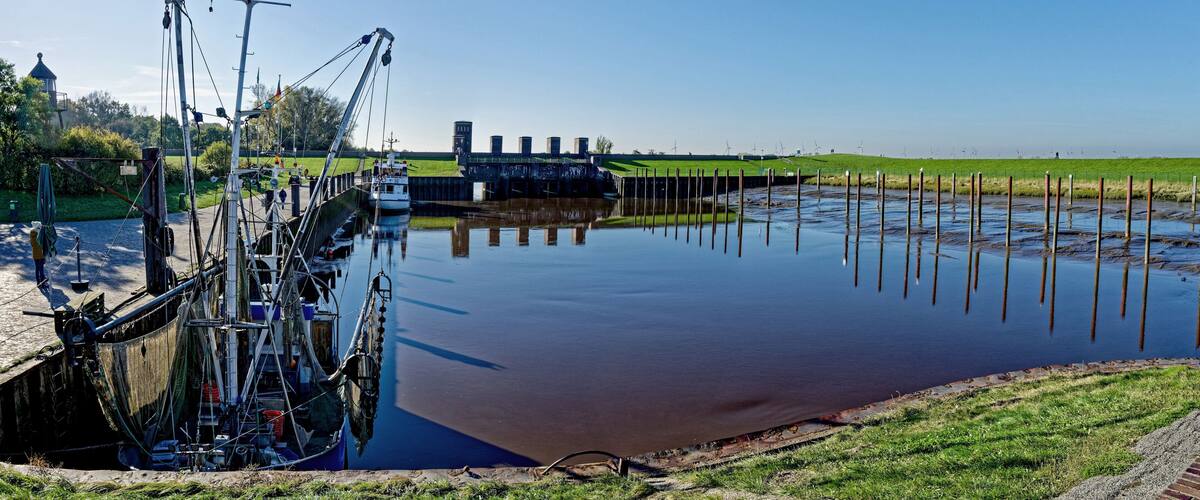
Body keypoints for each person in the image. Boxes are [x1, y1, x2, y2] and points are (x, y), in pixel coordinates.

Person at [30, 221, 46, 288]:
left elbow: (33, 244)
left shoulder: (33, 234)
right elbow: (37, 244)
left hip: (37, 255)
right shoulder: (36, 234)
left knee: (38, 269)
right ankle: (41, 283)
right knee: (40, 269)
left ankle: (40, 282)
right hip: (40, 255)